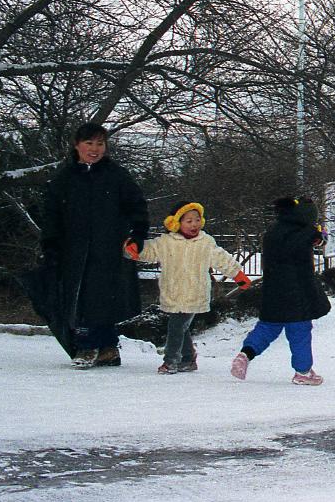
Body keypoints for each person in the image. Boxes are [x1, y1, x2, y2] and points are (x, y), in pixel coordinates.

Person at [39, 123, 149, 369]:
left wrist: (137, 235)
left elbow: (137, 207)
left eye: (100, 143)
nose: (95, 149)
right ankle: (86, 346)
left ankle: (108, 347)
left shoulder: (117, 175)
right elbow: (51, 215)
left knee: (105, 297)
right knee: (80, 298)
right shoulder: (64, 179)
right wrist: (51, 246)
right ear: (77, 145)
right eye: (89, 143)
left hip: (109, 247)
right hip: (74, 250)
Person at [127, 202, 251, 374]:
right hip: (173, 292)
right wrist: (134, 249)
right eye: (189, 221)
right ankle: (188, 358)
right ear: (176, 223)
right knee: (181, 327)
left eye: (197, 220)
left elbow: (222, 259)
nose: (194, 224)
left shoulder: (205, 242)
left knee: (176, 326)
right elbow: (149, 250)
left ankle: (171, 361)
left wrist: (238, 275)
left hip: (194, 293)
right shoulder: (166, 242)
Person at [230, 197, 331, 385]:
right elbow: (319, 239)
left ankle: (246, 354)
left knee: (267, 328)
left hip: (272, 292)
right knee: (299, 332)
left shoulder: (272, 232)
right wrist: (320, 234)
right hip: (298, 294)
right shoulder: (307, 232)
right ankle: (303, 372)